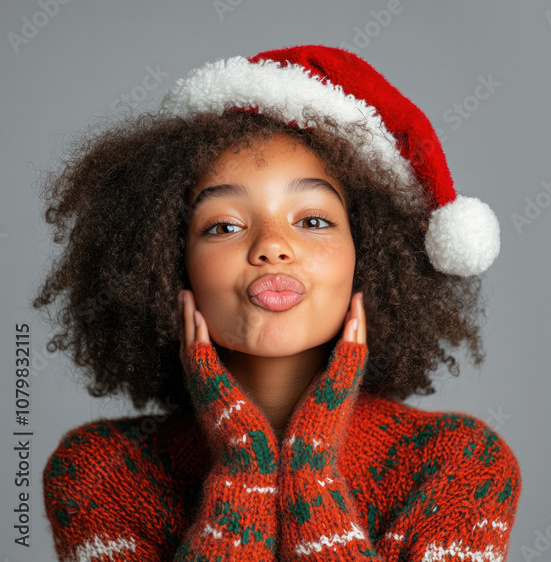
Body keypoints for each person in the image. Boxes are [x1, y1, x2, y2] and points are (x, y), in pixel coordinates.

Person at [34, 44, 518, 560]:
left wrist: (309, 469)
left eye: (312, 221)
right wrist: (244, 472)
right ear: (168, 266)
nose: (271, 245)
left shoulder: (461, 463)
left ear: (370, 257)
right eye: (224, 225)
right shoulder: (99, 469)